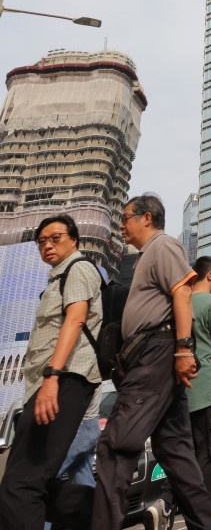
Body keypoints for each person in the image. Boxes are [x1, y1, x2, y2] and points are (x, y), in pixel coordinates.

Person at [92, 194, 211, 529]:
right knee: (178, 457)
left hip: (156, 354)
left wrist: (184, 349)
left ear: (147, 218)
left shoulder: (163, 246)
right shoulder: (145, 257)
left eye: (126, 218)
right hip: (152, 358)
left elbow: (182, 293)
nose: (121, 225)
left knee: (115, 445)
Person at [0, 215, 103, 530]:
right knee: (25, 485)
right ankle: (105, 510)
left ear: (73, 239)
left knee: (21, 486)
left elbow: (75, 320)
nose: (47, 244)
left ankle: (106, 509)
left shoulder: (79, 268)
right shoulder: (56, 280)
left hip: (65, 379)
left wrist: (53, 377)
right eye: (41, 241)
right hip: (48, 384)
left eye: (55, 237)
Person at [144, 256, 211, 530]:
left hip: (183, 394)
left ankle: (165, 502)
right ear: (210, 275)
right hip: (209, 389)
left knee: (190, 458)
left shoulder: (178, 305)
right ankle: (206, 520)